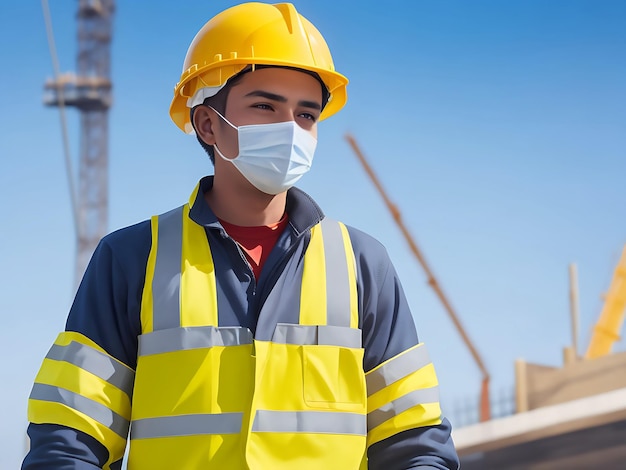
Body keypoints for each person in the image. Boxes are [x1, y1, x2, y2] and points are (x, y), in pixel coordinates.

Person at [23, 2, 460, 469]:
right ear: (208, 124)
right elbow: (71, 436)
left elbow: (414, 440)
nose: (290, 129)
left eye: (306, 115)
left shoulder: (361, 263)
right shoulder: (133, 258)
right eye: (265, 106)